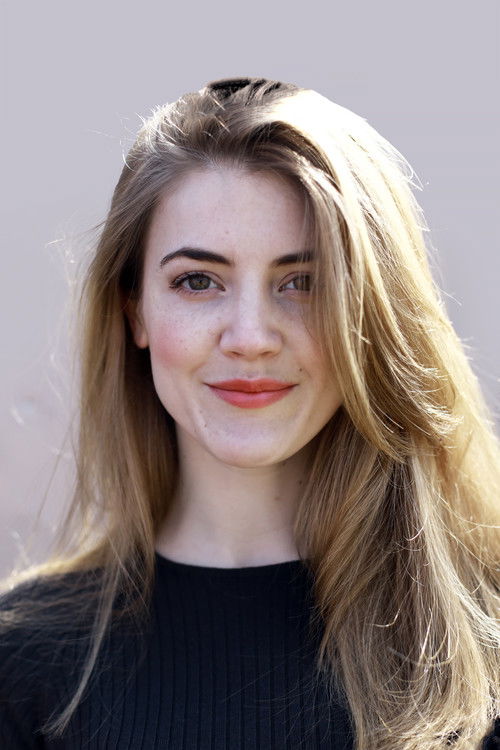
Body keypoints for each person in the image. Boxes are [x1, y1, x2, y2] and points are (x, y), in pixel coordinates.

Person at [0, 77, 499, 750]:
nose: (251, 336)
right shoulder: (22, 664)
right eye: (198, 281)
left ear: (374, 314)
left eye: (304, 282)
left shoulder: (485, 642)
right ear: (134, 310)